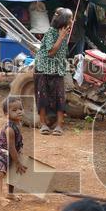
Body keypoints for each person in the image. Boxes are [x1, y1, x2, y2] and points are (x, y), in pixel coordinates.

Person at [33, 8, 73, 136]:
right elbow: (51, 52)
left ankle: (59, 125)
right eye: (70, 18)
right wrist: (61, 37)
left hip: (57, 69)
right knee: (42, 97)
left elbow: (63, 52)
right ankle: (43, 124)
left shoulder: (65, 32)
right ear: (64, 20)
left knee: (60, 97)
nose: (72, 21)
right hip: (43, 69)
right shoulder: (51, 32)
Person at [0, 96, 26, 203]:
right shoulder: (10, 129)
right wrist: (17, 162)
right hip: (1, 153)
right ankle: (0, 197)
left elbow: (17, 143)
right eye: (14, 110)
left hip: (11, 153)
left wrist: (19, 153)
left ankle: (10, 194)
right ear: (6, 114)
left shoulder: (18, 124)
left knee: (13, 173)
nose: (19, 112)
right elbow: (11, 147)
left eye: (20, 109)